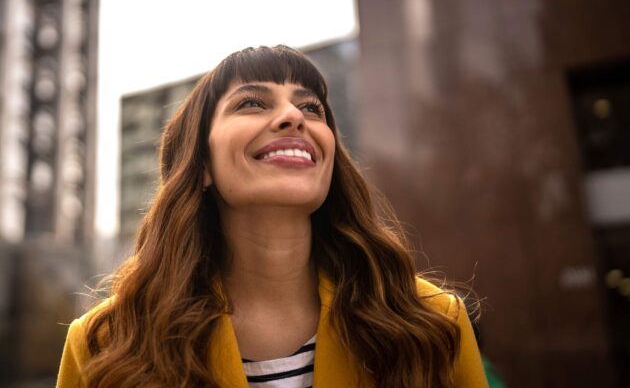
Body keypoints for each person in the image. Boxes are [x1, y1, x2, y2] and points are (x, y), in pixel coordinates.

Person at [57, 45, 488, 388]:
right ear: (202, 165)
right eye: (252, 103)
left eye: (312, 108)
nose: (293, 117)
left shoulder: (430, 322)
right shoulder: (103, 345)